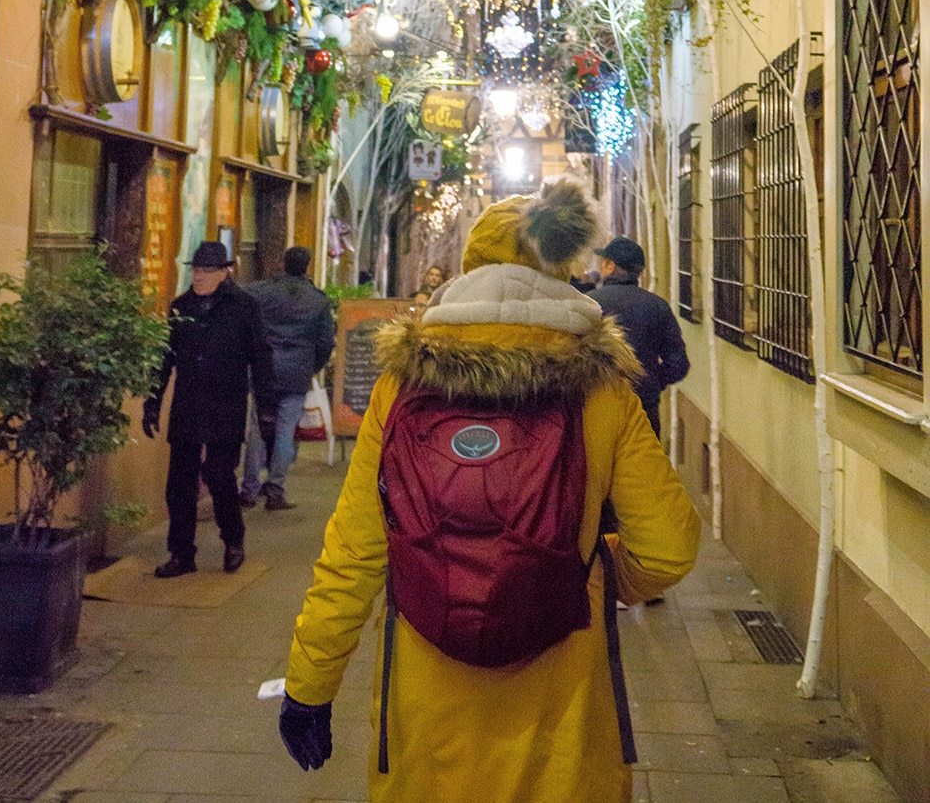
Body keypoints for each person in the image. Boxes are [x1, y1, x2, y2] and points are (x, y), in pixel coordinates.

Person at [277, 179, 700, 802]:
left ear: (470, 266)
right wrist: (589, 573)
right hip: (561, 712)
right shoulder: (602, 388)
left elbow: (355, 551)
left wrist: (309, 686)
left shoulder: (402, 386)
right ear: (558, 262)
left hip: (429, 717)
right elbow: (669, 547)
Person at [142, 240, 275, 578]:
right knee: (180, 484)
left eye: (206, 271)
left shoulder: (244, 308)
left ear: (223, 273)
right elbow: (164, 359)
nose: (198, 277)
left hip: (226, 404)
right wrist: (153, 401)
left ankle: (233, 540)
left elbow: (260, 359)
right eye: (195, 270)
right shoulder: (180, 307)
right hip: (188, 404)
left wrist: (266, 409)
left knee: (219, 477)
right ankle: (181, 553)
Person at [243, 247, 335, 512]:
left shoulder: (263, 292)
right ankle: (275, 489)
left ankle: (248, 489)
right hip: (296, 373)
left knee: (258, 431)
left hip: (264, 369)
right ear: (308, 265)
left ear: (284, 263)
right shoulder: (317, 300)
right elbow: (325, 341)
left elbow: (243, 298)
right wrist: (311, 366)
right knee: (285, 430)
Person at [590, 236, 690, 439]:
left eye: (604, 262)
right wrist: (652, 380)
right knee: (644, 466)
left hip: (596, 405)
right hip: (644, 407)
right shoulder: (657, 306)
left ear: (610, 267)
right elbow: (678, 363)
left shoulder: (589, 304)